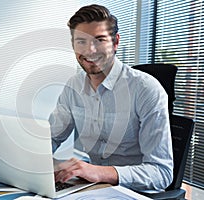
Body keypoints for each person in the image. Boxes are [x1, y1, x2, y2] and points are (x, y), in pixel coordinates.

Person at [49, 4, 173, 192]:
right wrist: (35, 163)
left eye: (99, 40)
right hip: (93, 188)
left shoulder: (146, 89)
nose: (90, 50)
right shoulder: (73, 87)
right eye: (81, 41)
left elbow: (161, 173)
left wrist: (99, 172)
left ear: (115, 42)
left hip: (135, 192)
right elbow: (52, 137)